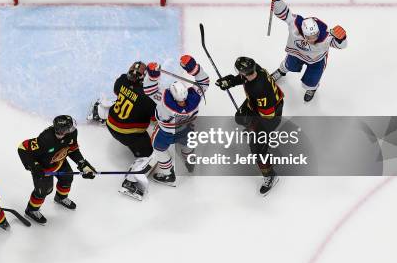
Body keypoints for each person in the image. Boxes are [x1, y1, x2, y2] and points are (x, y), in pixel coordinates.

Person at [88, 61, 157, 200]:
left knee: (119, 101)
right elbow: (156, 118)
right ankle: (130, 182)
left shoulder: (122, 80)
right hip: (129, 135)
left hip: (110, 123)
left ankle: (98, 111)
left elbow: (117, 91)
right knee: (150, 155)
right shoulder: (147, 97)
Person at [216, 57, 284, 195]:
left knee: (258, 151)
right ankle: (251, 126)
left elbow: (268, 115)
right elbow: (244, 78)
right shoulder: (255, 69)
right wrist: (230, 81)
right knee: (240, 118)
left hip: (270, 116)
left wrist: (253, 123)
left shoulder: (259, 89)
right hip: (258, 106)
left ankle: (270, 176)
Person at [268, 0, 347, 101]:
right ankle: (281, 71)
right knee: (287, 65)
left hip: (316, 61)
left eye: (315, 35)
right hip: (297, 54)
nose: (313, 39)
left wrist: (342, 38)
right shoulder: (295, 25)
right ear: (303, 33)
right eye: (310, 36)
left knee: (311, 81)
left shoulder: (325, 37)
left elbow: (342, 46)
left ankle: (312, 88)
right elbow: (283, 13)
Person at [17, 115, 96, 225]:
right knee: (44, 191)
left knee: (67, 178)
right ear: (62, 131)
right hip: (44, 168)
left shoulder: (72, 133)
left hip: (59, 161)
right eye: (70, 128)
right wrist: (34, 167)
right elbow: (23, 148)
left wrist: (82, 164)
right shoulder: (45, 139)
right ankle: (31, 210)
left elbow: (72, 149)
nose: (73, 129)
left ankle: (60, 197)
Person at [144, 55, 210, 186]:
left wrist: (152, 76)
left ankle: (168, 174)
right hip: (185, 129)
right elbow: (204, 81)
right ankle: (190, 161)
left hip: (165, 133)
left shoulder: (163, 102)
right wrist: (193, 68)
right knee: (188, 144)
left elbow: (149, 90)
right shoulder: (195, 99)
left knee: (159, 149)